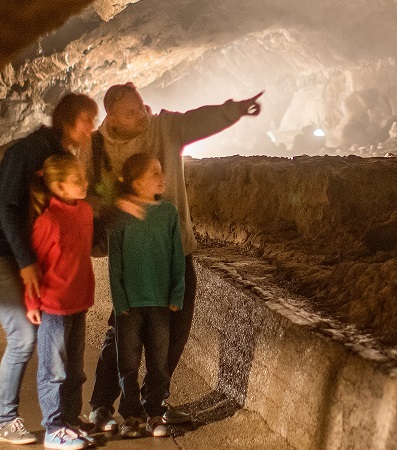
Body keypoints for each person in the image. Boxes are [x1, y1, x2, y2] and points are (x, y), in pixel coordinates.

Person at [85, 83, 262, 430]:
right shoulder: (96, 148)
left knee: (175, 331)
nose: (142, 115)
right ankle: (101, 405)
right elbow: (87, 194)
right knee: (122, 333)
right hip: (132, 255)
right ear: (112, 118)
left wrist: (235, 109)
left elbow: (197, 121)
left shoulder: (163, 128)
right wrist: (115, 204)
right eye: (132, 112)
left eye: (141, 106)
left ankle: (154, 405)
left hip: (174, 251)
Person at [0, 93, 97, 445]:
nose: (92, 129)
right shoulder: (30, 150)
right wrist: (27, 263)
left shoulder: (58, 155)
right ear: (67, 120)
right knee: (23, 335)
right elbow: (6, 207)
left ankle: (65, 418)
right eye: (87, 120)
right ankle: (6, 420)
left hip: (16, 247)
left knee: (47, 338)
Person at [104, 152, 185, 439]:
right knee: (127, 364)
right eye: (154, 173)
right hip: (130, 304)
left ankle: (154, 412)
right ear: (137, 183)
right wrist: (119, 300)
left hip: (160, 302)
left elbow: (177, 256)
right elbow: (115, 262)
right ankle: (131, 415)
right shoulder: (121, 215)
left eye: (161, 171)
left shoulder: (168, 213)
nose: (162, 177)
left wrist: (177, 292)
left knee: (158, 363)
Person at [24, 153, 95, 450]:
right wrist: (31, 302)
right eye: (77, 180)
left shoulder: (85, 211)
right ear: (58, 186)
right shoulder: (48, 221)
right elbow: (34, 266)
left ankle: (70, 421)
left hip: (78, 302)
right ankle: (54, 428)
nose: (85, 182)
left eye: (83, 177)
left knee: (75, 370)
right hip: (53, 306)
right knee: (53, 370)